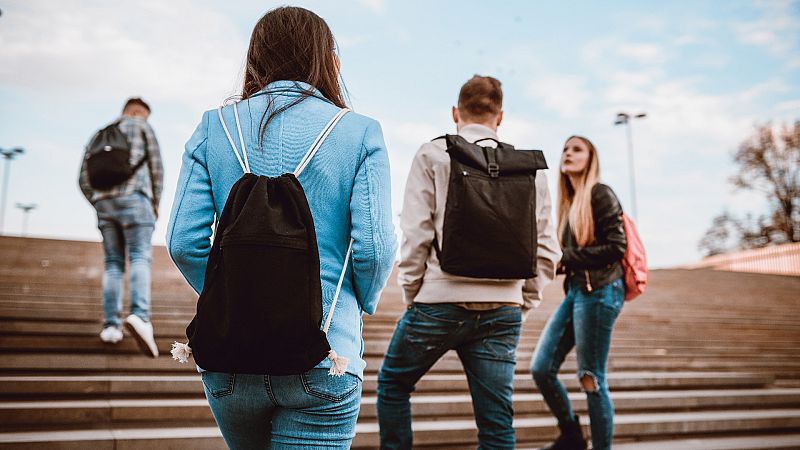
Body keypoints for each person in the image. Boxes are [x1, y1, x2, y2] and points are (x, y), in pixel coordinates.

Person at [165, 6, 396, 449]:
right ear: (328, 61)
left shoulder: (214, 126)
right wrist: (360, 300)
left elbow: (183, 242)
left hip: (229, 356)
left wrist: (242, 291)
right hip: (327, 350)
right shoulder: (361, 132)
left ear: (257, 58)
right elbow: (375, 248)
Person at [377, 75, 561, 449]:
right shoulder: (529, 169)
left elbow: (415, 233)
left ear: (455, 112)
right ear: (500, 117)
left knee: (393, 385)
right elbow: (548, 249)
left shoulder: (433, 154)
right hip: (503, 309)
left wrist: (414, 294)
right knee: (496, 422)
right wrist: (523, 301)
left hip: (437, 302)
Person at [530, 136, 627, 450]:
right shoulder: (570, 203)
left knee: (590, 377)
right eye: (565, 149)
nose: (568, 153)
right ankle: (572, 435)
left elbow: (616, 247)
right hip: (577, 291)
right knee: (542, 368)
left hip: (600, 291)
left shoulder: (600, 194)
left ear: (590, 158)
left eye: (577, 149)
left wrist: (566, 258)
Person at [79, 97, 163, 358]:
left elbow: (83, 178)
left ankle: (111, 326)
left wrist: (98, 201)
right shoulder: (142, 127)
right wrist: (155, 201)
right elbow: (157, 169)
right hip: (136, 199)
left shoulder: (99, 134)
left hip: (105, 204)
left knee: (113, 263)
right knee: (139, 256)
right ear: (138, 112)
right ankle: (139, 315)